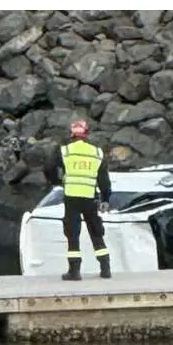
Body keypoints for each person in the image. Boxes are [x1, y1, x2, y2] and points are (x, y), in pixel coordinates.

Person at [44, 119, 112, 281]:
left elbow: (48, 167)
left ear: (71, 134)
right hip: (90, 197)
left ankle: (74, 271)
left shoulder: (65, 150)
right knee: (96, 231)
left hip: (72, 197)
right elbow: (104, 179)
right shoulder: (97, 152)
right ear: (87, 134)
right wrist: (106, 198)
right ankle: (105, 268)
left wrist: (57, 181)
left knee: (72, 234)